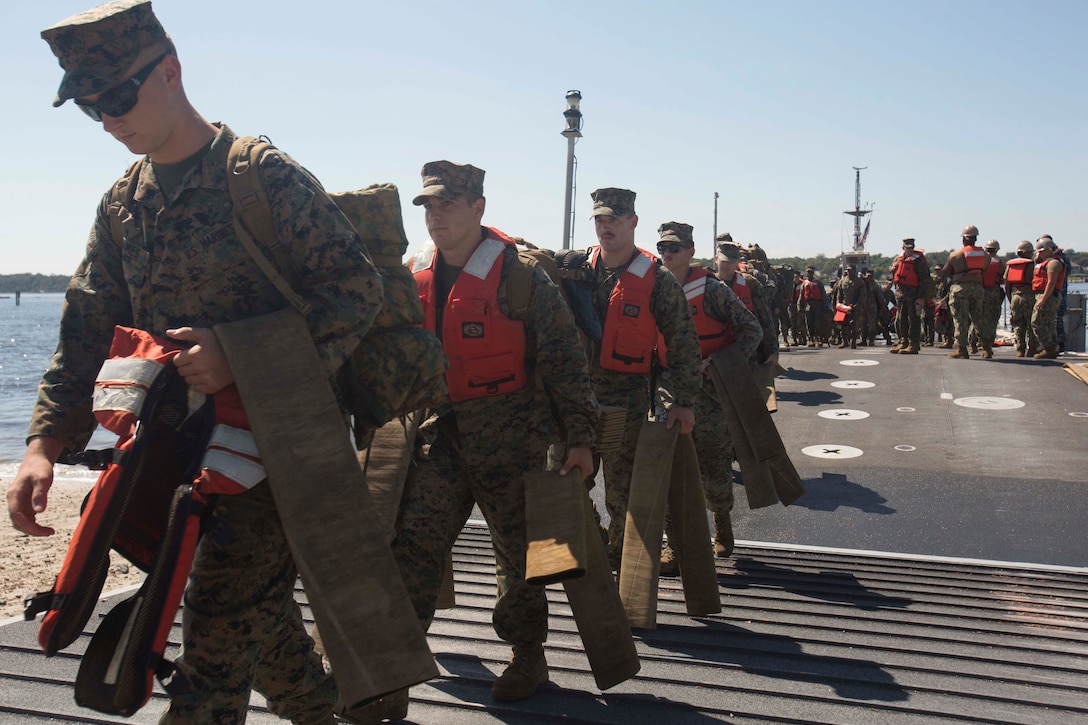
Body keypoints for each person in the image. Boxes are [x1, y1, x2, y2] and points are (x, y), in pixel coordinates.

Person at [11, 2, 384, 722]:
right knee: (260, 632)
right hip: (181, 461)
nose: (109, 119)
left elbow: (356, 291)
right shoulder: (124, 203)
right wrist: (41, 446)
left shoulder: (260, 178)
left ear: (171, 70)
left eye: (118, 96)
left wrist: (238, 354)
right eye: (91, 109)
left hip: (278, 461)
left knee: (211, 650)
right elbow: (85, 327)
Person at [393, 161, 599, 705]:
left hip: (515, 442)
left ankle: (527, 653)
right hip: (442, 436)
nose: (434, 214)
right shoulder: (413, 273)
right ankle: (393, 664)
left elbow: (566, 361)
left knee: (524, 560)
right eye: (428, 205)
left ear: (478, 208)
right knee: (412, 541)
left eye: (446, 203)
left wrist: (580, 439)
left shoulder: (523, 276)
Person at [585, 188, 700, 568]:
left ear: (633, 222)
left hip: (625, 400)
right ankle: (590, 538)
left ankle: (620, 564)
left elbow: (683, 341)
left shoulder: (657, 279)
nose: (606, 227)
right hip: (577, 401)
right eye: (600, 219)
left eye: (615, 219)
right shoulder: (576, 270)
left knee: (622, 490)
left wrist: (684, 401)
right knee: (564, 482)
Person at [655, 223, 762, 572]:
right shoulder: (652, 287)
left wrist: (716, 363)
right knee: (669, 470)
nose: (667, 254)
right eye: (663, 248)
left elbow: (752, 330)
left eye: (675, 248)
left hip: (710, 393)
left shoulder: (713, 290)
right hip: (668, 390)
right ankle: (675, 545)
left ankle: (722, 518)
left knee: (714, 468)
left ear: (690, 251)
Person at [938, 225, 988, 359]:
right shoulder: (985, 255)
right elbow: (985, 268)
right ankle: (987, 348)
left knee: (960, 319)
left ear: (964, 240)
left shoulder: (956, 255)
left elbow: (945, 272)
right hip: (978, 288)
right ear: (975, 239)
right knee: (978, 318)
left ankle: (961, 349)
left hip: (960, 288)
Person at [890, 238, 931, 354]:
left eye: (912, 248)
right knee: (901, 319)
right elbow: (895, 272)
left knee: (913, 319)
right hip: (901, 294)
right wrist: (892, 269)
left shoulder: (919, 261)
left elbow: (924, 279)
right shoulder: (898, 259)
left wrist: (921, 297)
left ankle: (914, 344)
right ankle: (904, 341)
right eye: (907, 248)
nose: (910, 250)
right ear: (903, 248)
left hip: (914, 294)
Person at [1030, 236, 1066, 359]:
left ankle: (1049, 348)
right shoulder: (1044, 263)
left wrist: (1044, 299)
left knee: (1037, 322)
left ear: (1048, 250)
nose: (1038, 254)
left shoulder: (1053, 263)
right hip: (1044, 295)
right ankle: (1052, 347)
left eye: (1040, 251)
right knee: (1049, 323)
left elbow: (1051, 282)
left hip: (1048, 296)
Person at [971, 240, 1005, 358]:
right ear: (997, 250)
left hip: (979, 291)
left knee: (977, 318)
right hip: (993, 292)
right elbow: (1004, 278)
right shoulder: (1000, 263)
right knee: (992, 319)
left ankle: (973, 343)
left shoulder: (980, 261)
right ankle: (987, 345)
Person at [1004, 240, 1038, 357]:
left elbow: (1007, 285)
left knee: (1018, 324)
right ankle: (1032, 348)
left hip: (1015, 296)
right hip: (1030, 296)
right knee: (1031, 324)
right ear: (1028, 252)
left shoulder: (1010, 266)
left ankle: (1020, 349)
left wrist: (1010, 299)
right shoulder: (1033, 265)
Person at [832, 264, 863, 349]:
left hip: (854, 306)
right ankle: (844, 341)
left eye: (851, 270)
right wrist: (838, 304)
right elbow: (839, 294)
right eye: (848, 270)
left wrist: (858, 304)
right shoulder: (843, 281)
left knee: (854, 324)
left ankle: (853, 341)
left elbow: (862, 295)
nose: (850, 272)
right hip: (844, 305)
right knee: (843, 324)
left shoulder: (859, 282)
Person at [801, 267, 827, 347]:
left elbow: (823, 294)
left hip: (817, 303)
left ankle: (819, 338)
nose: (809, 274)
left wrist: (824, 305)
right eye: (808, 272)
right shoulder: (804, 283)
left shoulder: (818, 282)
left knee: (818, 322)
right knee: (809, 322)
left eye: (810, 272)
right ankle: (811, 339)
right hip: (808, 304)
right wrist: (799, 306)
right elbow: (801, 296)